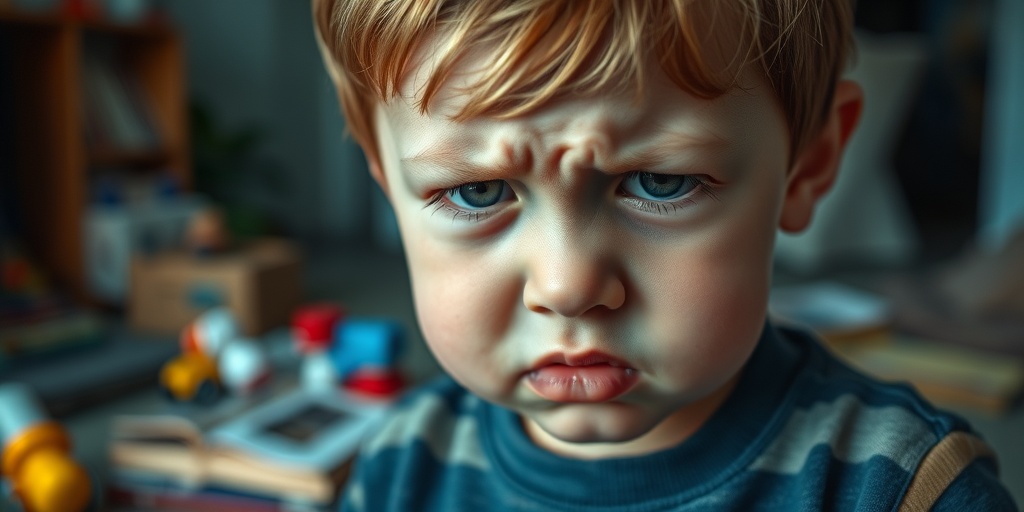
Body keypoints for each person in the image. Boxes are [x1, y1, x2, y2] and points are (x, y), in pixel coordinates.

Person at [312, 0, 1018, 510]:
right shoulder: (396, 469)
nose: (567, 286)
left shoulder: (905, 489)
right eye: (477, 192)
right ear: (390, 187)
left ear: (807, 167)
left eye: (660, 183)